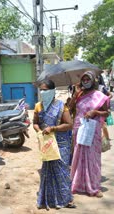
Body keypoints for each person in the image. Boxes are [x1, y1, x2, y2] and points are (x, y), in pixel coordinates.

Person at [33, 79, 75, 210]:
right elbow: (35, 122)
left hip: (61, 142)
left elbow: (69, 124)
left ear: (52, 91)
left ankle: (66, 199)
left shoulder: (62, 106)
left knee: (62, 171)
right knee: (47, 170)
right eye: (41, 90)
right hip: (47, 142)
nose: (43, 92)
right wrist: (39, 131)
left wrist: (53, 128)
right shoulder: (38, 106)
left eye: (46, 89)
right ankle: (48, 199)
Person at [69, 71, 109, 197]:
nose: (85, 81)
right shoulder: (79, 94)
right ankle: (77, 184)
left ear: (93, 81)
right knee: (78, 156)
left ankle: (94, 187)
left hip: (93, 129)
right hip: (79, 128)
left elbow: (107, 113)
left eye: (88, 79)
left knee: (93, 158)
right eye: (84, 79)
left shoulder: (99, 95)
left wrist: (95, 112)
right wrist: (75, 94)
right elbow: (69, 108)